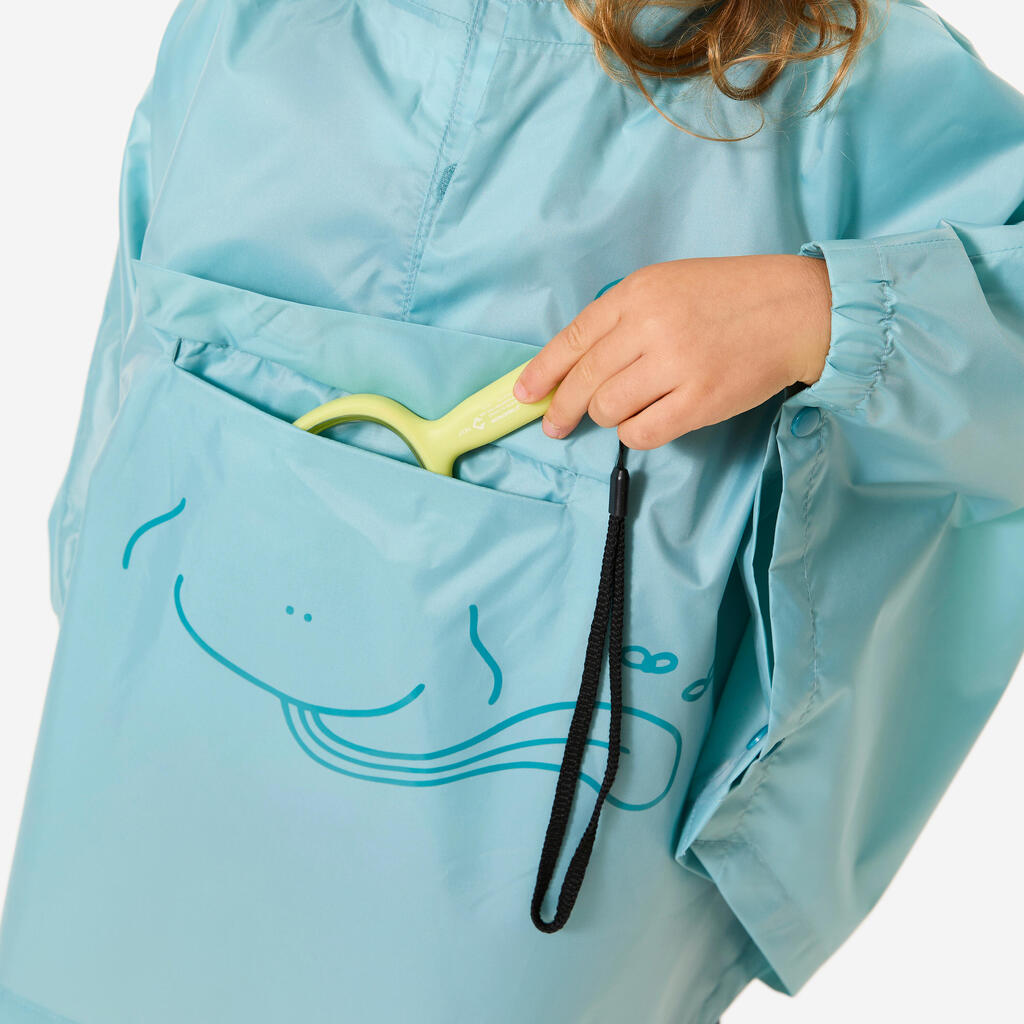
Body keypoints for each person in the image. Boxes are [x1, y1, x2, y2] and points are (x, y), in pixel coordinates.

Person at [1, 1, 1022, 1022]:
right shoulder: (255, 23)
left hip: (508, 916)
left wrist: (821, 311)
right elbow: (124, 420)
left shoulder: (844, 91)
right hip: (138, 817)